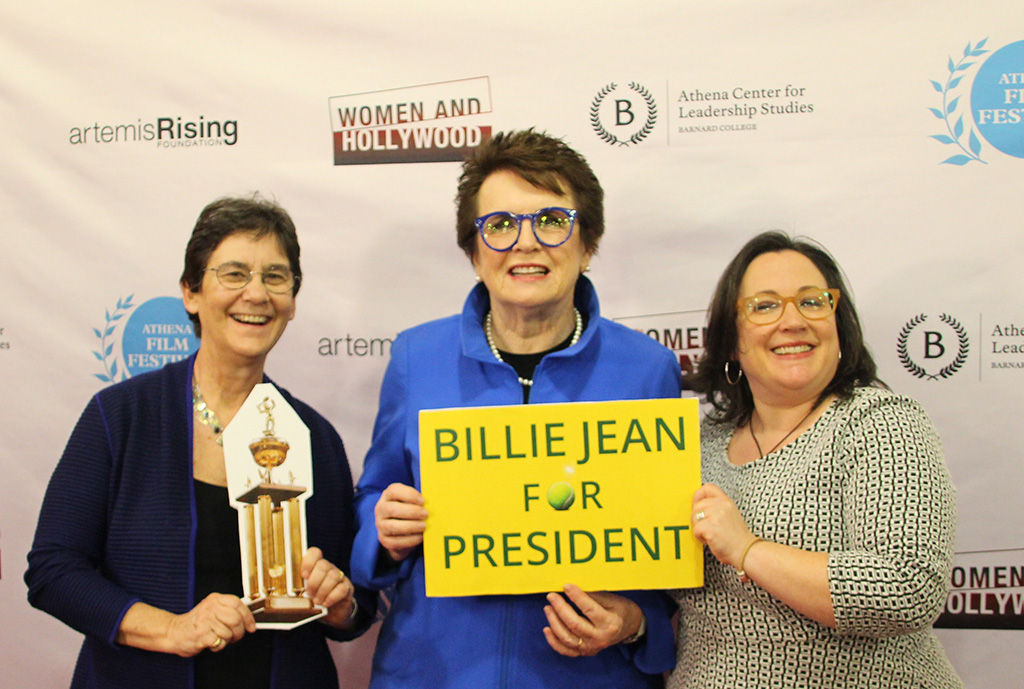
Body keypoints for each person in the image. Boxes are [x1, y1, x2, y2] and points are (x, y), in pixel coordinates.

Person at [350, 129, 681, 688]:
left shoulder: (648, 369)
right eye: (500, 225)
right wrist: (381, 527)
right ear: (474, 252)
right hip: (433, 672)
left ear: (588, 243)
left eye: (551, 220)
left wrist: (633, 622)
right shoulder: (415, 357)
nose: (525, 243)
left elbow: (667, 557)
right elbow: (372, 496)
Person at [26, 195, 376, 689]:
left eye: (275, 277)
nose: (256, 294)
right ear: (191, 293)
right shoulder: (120, 416)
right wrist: (172, 629)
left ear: (293, 301)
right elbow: (53, 572)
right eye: (234, 274)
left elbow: (352, 606)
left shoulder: (314, 437)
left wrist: (340, 606)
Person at [670, 231, 962, 688]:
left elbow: (908, 588)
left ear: (838, 323)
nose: (793, 321)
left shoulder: (879, 422)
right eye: (765, 306)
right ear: (732, 342)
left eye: (812, 302)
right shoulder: (696, 447)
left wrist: (748, 551)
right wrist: (633, 623)